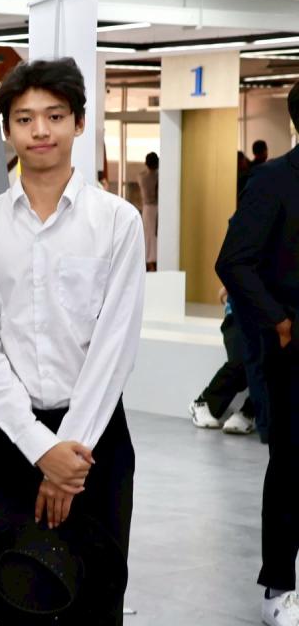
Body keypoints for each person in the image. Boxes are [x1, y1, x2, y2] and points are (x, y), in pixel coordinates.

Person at [0, 58, 145, 625]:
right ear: (8, 130)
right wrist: (42, 449)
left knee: (93, 600)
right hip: (10, 440)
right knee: (15, 597)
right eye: (25, 119)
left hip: (95, 445)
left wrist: (69, 456)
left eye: (55, 116)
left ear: (79, 123)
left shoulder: (117, 221)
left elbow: (114, 346)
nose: (41, 130)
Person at [216, 82, 299, 626]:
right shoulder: (273, 181)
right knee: (290, 470)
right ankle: (279, 587)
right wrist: (280, 322)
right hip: (293, 356)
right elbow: (234, 261)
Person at [188, 287, 257, 435]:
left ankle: (249, 412)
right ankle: (204, 404)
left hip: (273, 320)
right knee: (241, 360)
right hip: (240, 315)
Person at [138, 151, 158, 271]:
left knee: (148, 236)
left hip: (146, 209)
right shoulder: (157, 176)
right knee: (154, 237)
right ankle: (152, 262)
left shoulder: (141, 177)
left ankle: (149, 262)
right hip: (155, 208)